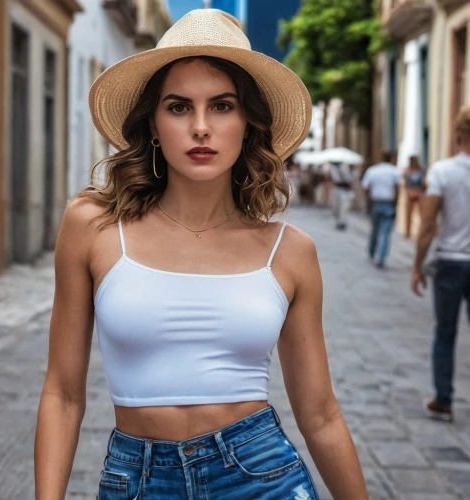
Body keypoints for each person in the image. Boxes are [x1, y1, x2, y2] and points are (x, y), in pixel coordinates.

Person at [34, 9, 367, 500]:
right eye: (178, 107)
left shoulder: (291, 252)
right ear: (151, 124)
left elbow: (320, 415)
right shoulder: (93, 226)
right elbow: (62, 394)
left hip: (262, 477)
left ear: (248, 124)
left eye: (223, 106)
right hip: (137, 480)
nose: (201, 127)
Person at [411, 106, 470, 422]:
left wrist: (417, 266)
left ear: (458, 133)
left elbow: (428, 224)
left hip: (450, 262)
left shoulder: (443, 171)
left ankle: (444, 400)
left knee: (445, 334)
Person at [362, 151, 401, 268]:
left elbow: (365, 186)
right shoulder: (394, 171)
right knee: (385, 232)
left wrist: (368, 200)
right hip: (388, 204)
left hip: (376, 203)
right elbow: (397, 188)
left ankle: (372, 252)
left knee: (375, 229)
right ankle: (381, 258)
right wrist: (396, 203)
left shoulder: (373, 170)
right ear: (392, 159)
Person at [403, 155, 426, 239]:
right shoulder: (408, 171)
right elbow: (405, 184)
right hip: (414, 193)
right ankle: (407, 232)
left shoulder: (420, 171)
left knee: (421, 215)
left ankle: (420, 231)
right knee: (409, 214)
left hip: (417, 193)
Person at [330, 161, 355, 230]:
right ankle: (338, 221)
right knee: (337, 207)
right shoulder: (335, 169)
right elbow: (336, 180)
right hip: (338, 190)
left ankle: (342, 222)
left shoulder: (351, 172)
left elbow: (351, 181)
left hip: (346, 192)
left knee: (345, 208)